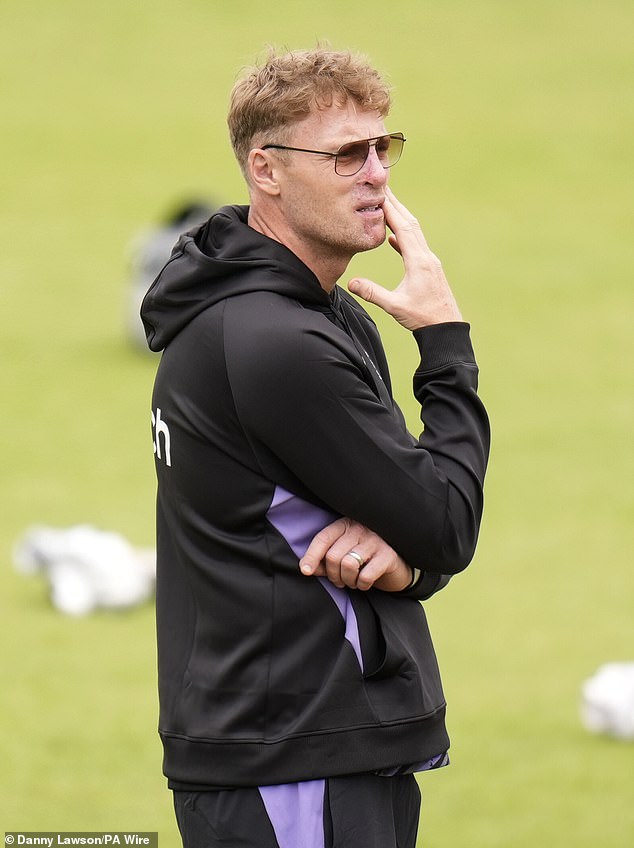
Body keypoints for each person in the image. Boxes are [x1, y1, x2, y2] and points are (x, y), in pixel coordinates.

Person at [141, 47, 490, 848]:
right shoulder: (276, 342)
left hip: (304, 741)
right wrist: (444, 343)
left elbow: (415, 512)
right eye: (344, 154)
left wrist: (407, 557)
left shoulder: (319, 317)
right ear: (266, 170)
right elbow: (444, 518)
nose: (376, 174)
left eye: (382, 148)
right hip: (290, 757)